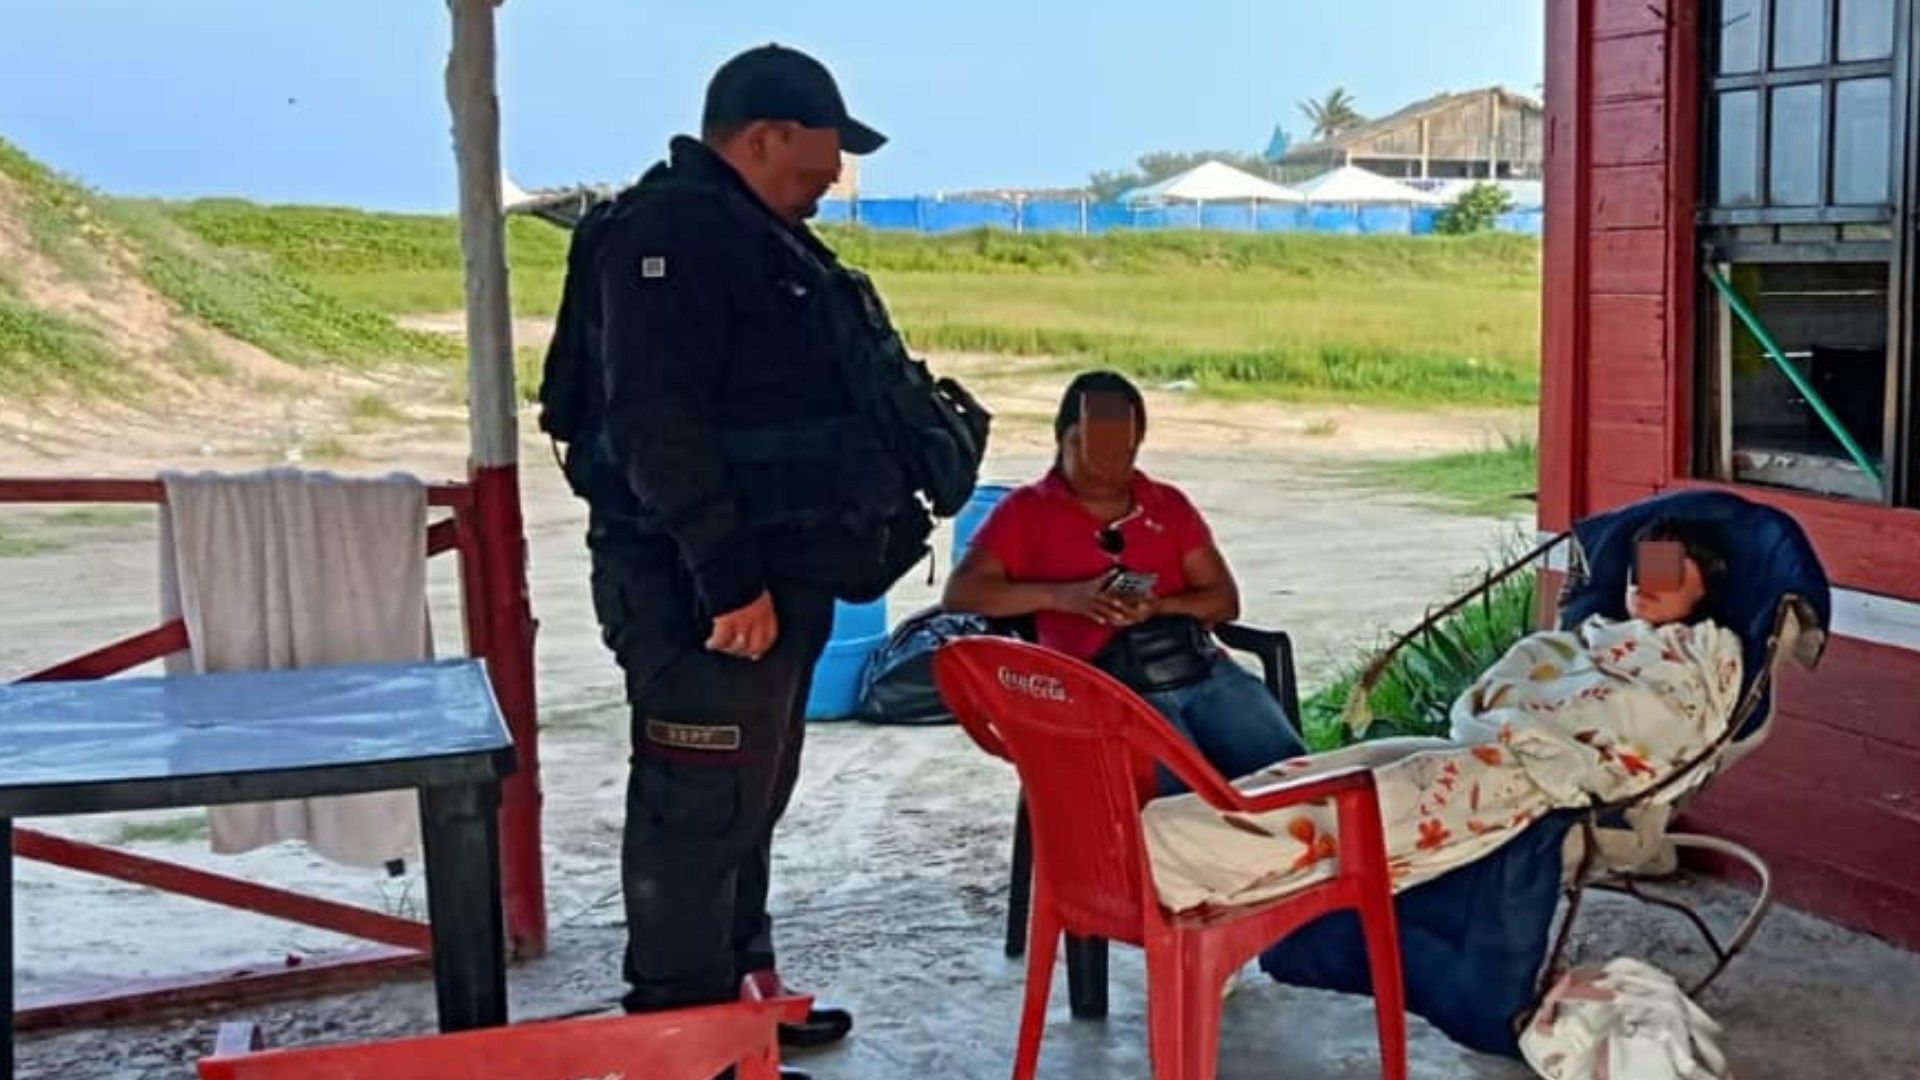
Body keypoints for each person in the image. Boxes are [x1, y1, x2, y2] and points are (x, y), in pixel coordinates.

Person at [548, 43, 945, 1061]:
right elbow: (654, 420)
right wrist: (728, 578)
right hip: (703, 592)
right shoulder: (669, 235)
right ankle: (682, 1030)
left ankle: (743, 999)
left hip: (774, 579)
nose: (831, 179)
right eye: (821, 159)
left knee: (747, 798)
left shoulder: (755, 234)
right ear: (764, 136)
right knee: (696, 802)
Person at [1141, 521, 1743, 914]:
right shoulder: (1591, 635)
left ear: (1704, 586)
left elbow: (1664, 724)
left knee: (1374, 802)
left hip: (1539, 774)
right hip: (1491, 742)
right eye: (1643, 567)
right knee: (1349, 764)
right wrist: (1508, 718)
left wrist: (1544, 737)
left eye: (1671, 569)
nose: (1648, 581)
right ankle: (1167, 828)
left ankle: (1174, 853)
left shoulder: (1699, 654)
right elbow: (1522, 672)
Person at [942, 370, 1307, 788]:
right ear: (1063, 438)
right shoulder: (1025, 511)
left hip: (1196, 667)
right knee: (1178, 794)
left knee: (1285, 773)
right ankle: (1190, 850)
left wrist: (1159, 606)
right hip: (1102, 687)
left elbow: (1223, 599)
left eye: (1121, 448)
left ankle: (1279, 848)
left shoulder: (1167, 506)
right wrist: (1066, 598)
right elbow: (963, 593)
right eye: (1091, 446)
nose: (1106, 463)